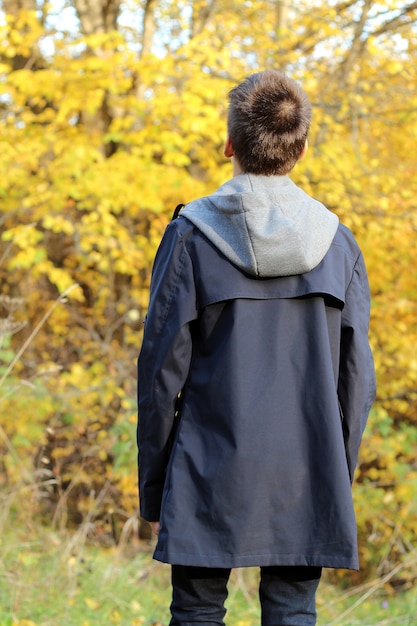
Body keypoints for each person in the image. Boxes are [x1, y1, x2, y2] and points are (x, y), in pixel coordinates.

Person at [137, 69, 376, 626]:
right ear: (302, 148)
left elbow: (159, 375)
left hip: (204, 468)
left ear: (229, 145)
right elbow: (356, 381)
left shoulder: (190, 237)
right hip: (307, 469)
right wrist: (335, 476)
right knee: (294, 613)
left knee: (196, 613)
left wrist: (155, 488)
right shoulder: (340, 246)